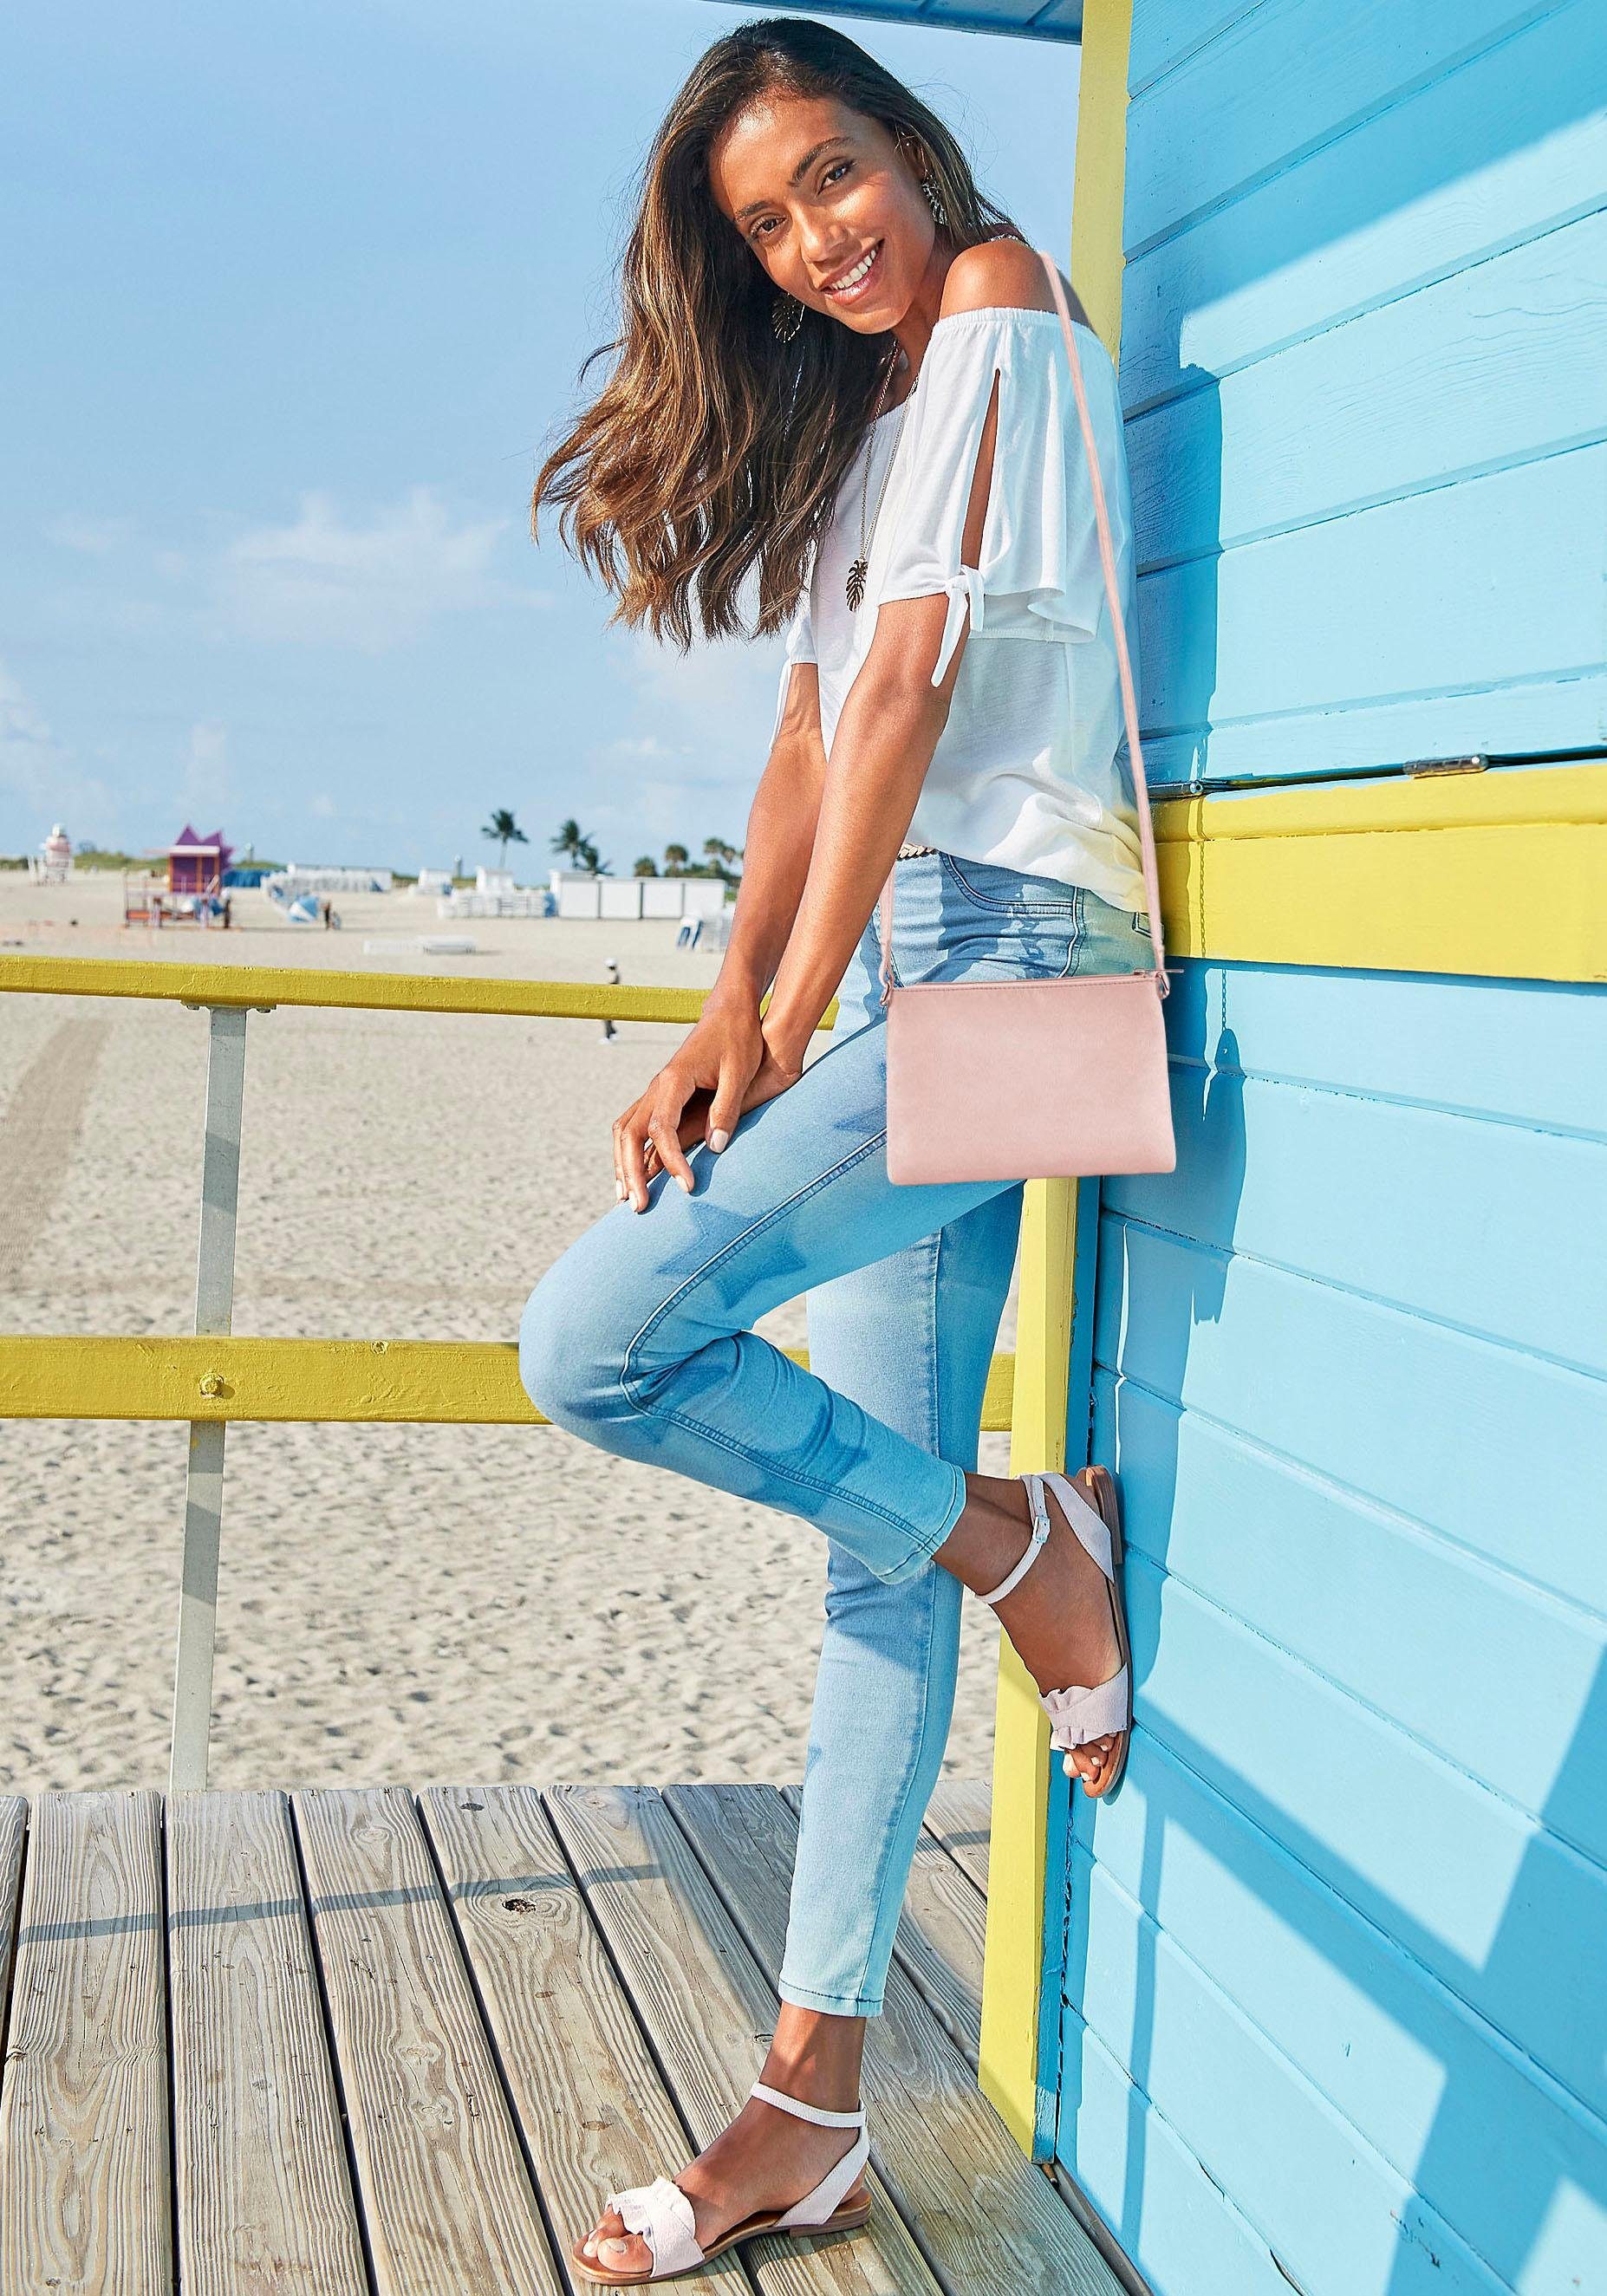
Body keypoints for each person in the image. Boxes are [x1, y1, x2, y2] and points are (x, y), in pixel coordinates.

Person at [521, 17, 1151, 2284]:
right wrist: (732, 994)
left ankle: (1031, 1554)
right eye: (770, 228)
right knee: (867, 1561)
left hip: (1021, 960)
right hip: (915, 973)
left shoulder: (993, 301)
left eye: (833, 177)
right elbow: (807, 724)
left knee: (592, 1341)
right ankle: (806, 2106)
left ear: (912, 145)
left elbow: (909, 697)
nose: (821, 239)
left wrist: (790, 1026)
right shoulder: (871, 411)